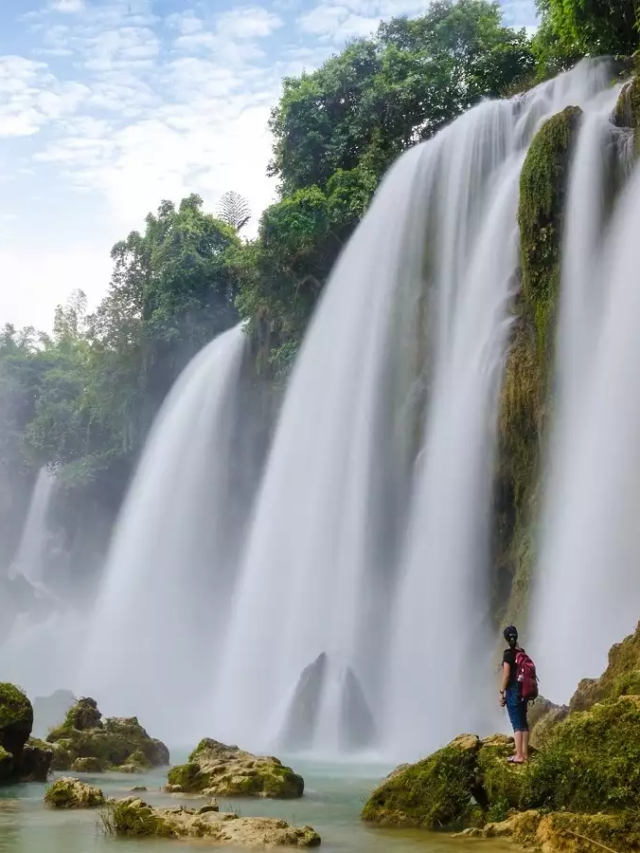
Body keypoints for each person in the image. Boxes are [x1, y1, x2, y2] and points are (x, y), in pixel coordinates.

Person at [500, 625, 529, 763]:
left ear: (506, 638)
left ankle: (518, 756)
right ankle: (525, 755)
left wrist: (502, 692)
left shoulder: (508, 654)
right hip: (524, 690)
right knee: (523, 723)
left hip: (513, 690)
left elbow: (506, 675)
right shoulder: (521, 652)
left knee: (516, 724)